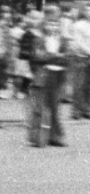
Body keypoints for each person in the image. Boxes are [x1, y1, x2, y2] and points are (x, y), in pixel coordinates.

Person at [20, 10, 69, 147]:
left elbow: (66, 58)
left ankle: (55, 137)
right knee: (39, 107)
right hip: (43, 75)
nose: (53, 27)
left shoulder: (63, 40)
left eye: (55, 24)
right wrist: (55, 56)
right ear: (45, 25)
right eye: (50, 24)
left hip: (58, 75)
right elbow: (37, 56)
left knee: (54, 107)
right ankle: (36, 138)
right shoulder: (38, 40)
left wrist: (50, 56)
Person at [71, 3, 90, 119]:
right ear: (84, 12)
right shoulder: (78, 25)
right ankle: (76, 111)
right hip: (80, 57)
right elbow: (78, 43)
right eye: (88, 10)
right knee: (79, 85)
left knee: (88, 86)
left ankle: (86, 109)